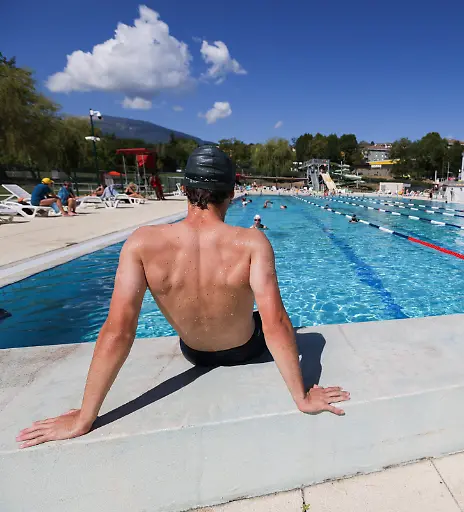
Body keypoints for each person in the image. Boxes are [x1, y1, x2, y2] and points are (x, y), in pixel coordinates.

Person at [16, 146, 348, 448]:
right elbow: (274, 322)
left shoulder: (142, 242)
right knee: (301, 332)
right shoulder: (251, 242)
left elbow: (118, 330)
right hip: (244, 351)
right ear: (231, 193)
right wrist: (301, 396)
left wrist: (84, 417)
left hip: (194, 353)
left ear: (184, 190)